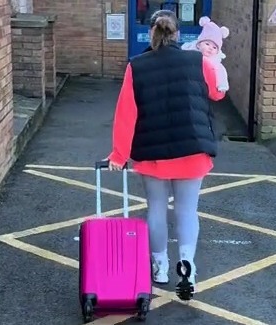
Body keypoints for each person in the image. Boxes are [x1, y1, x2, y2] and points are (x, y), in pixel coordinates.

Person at [105, 9, 227, 301]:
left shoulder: (137, 66)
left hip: (152, 153)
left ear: (151, 33)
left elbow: (125, 115)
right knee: (186, 210)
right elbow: (217, 94)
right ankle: (187, 267)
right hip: (192, 148)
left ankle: (159, 267)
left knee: (156, 209)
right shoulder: (198, 61)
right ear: (177, 34)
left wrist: (119, 155)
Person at [181, 16, 230, 92]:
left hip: (204, 90)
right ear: (199, 44)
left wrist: (222, 86)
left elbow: (221, 75)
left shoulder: (215, 63)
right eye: (207, 44)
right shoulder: (189, 52)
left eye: (214, 47)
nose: (210, 48)